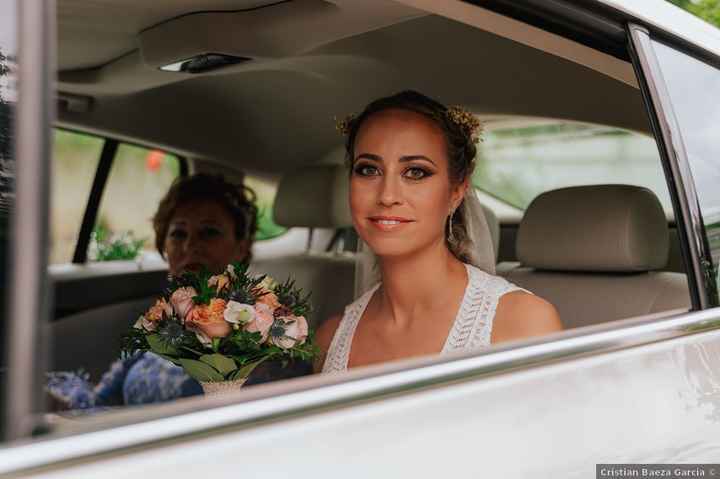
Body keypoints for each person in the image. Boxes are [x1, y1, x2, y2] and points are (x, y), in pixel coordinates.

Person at [316, 91, 562, 373]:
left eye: (416, 172)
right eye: (368, 170)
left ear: (457, 192)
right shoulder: (329, 340)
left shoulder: (523, 324)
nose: (387, 196)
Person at [48, 174, 306, 410]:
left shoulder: (264, 329)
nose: (191, 245)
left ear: (240, 247)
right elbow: (101, 404)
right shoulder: (159, 324)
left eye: (209, 232)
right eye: (178, 233)